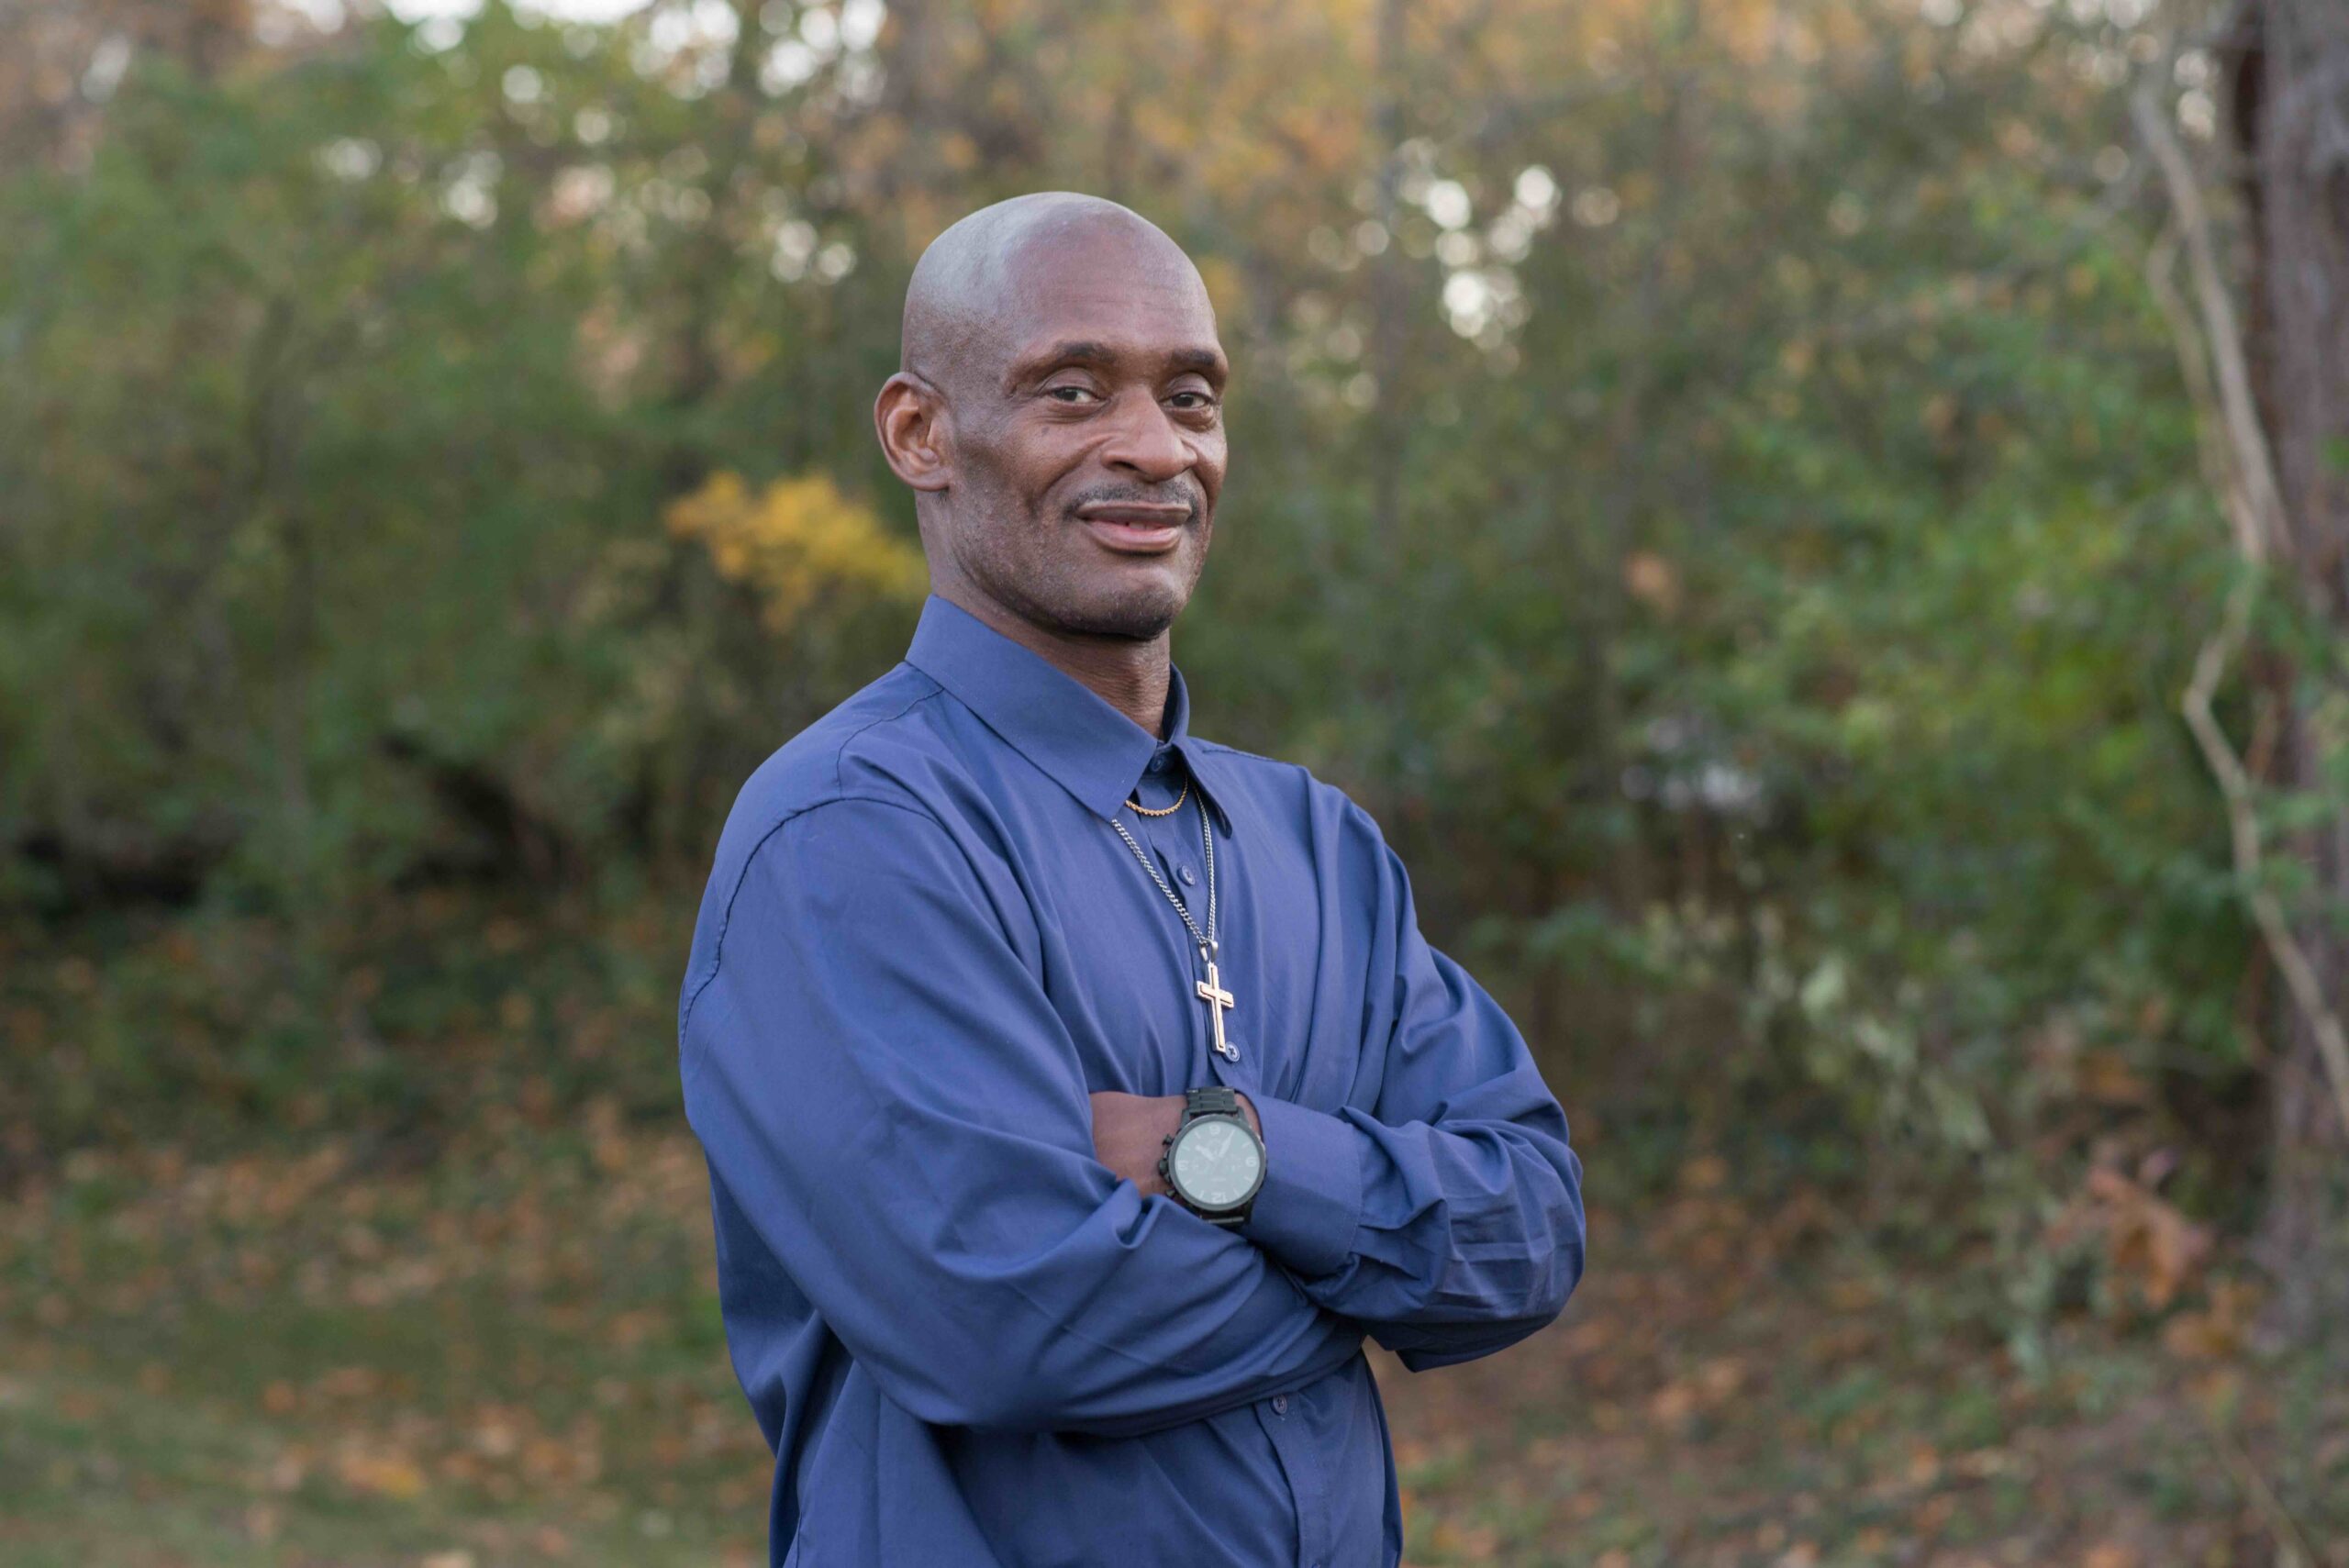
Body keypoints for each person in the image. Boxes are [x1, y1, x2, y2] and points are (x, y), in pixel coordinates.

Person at [676, 190, 1586, 1568]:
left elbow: (1529, 1227)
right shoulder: (852, 829)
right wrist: (1371, 1279)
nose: (1154, 449)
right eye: (1072, 390)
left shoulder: (1317, 845)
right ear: (920, 432)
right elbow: (1021, 1323)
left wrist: (1222, 1155)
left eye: (1195, 398)